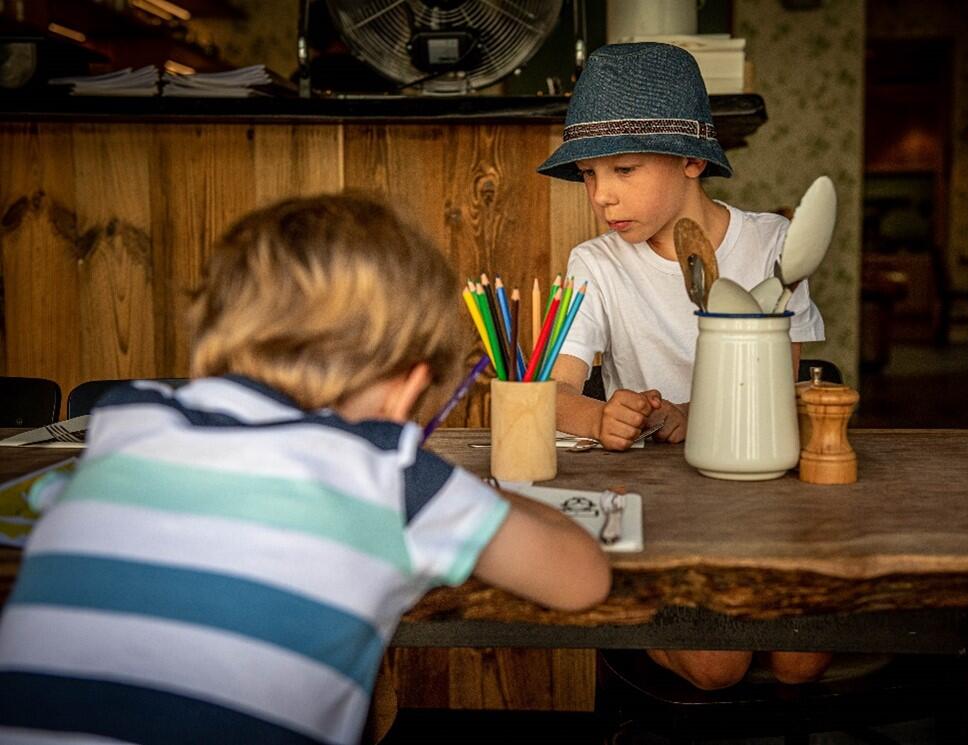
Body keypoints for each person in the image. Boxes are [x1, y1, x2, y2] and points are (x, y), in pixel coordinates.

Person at [0, 194, 611, 744]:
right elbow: (582, 580)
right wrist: (478, 496)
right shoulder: (387, 473)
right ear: (408, 389)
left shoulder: (128, 420)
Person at [537, 42, 829, 689]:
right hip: (655, 502)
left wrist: (688, 414)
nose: (602, 197)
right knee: (715, 663)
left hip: (761, 495)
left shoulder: (770, 248)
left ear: (692, 159)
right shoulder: (596, 264)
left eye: (623, 169)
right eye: (588, 176)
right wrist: (599, 415)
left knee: (802, 659)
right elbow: (551, 396)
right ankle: (625, 605)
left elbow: (780, 390)